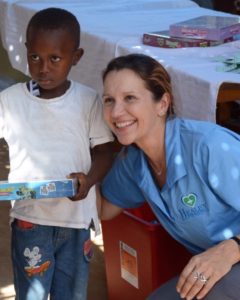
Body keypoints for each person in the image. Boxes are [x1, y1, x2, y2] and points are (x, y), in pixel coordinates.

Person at [98, 53, 240, 300]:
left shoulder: (209, 146)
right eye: (109, 100)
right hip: (216, 268)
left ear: (162, 104)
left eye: (130, 98)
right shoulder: (134, 162)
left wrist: (231, 249)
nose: (117, 111)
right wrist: (67, 181)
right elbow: (102, 208)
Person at [0, 7, 114, 300]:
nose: (43, 68)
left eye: (55, 58)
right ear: (25, 51)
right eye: (35, 57)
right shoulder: (9, 102)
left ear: (76, 57)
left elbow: (104, 151)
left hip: (76, 220)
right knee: (32, 295)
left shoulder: (88, 101)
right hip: (30, 219)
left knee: (72, 294)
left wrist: (88, 180)